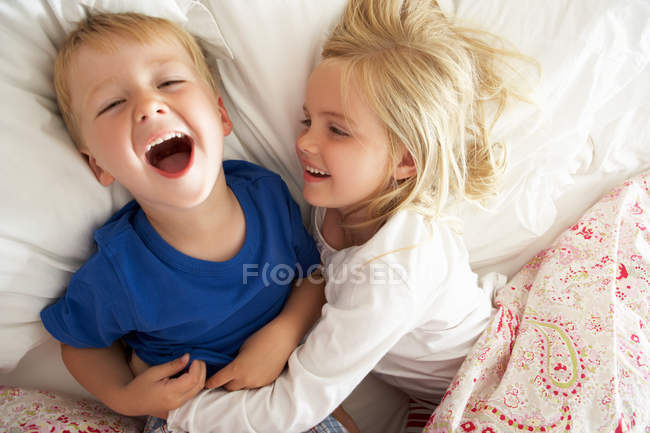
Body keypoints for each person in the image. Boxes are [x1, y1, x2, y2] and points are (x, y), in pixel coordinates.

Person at [62, 1, 533, 432]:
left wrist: (170, 406)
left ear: (404, 161)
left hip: (492, 383)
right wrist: (125, 396)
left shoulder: (394, 267)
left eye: (338, 130)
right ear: (96, 162)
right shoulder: (314, 204)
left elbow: (294, 404)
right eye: (307, 120)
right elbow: (313, 273)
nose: (304, 142)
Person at [39, 12, 355, 433]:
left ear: (221, 116)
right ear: (98, 164)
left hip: (285, 388)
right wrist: (124, 396)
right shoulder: (120, 270)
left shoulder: (266, 194)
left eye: (169, 82)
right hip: (194, 415)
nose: (149, 106)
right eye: (114, 103)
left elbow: (313, 276)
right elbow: (79, 344)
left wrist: (283, 334)